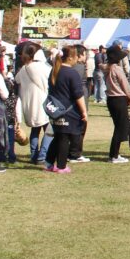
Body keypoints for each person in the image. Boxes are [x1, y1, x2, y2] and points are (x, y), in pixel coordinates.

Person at [43, 45, 89, 174]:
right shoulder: (71, 73)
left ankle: (49, 163)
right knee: (64, 138)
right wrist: (84, 111)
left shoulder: (55, 70)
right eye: (76, 56)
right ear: (70, 58)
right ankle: (61, 166)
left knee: (58, 136)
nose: (77, 59)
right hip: (68, 110)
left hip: (56, 109)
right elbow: (78, 94)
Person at [15, 43, 51, 165]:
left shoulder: (24, 68)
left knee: (35, 130)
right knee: (50, 130)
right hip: (44, 102)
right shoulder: (43, 67)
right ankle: (42, 155)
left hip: (29, 103)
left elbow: (17, 80)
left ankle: (34, 154)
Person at [103, 43, 130, 163]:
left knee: (118, 127)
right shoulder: (117, 69)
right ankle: (114, 155)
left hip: (111, 99)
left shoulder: (106, 69)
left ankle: (114, 154)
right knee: (121, 128)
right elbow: (126, 86)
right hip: (119, 99)